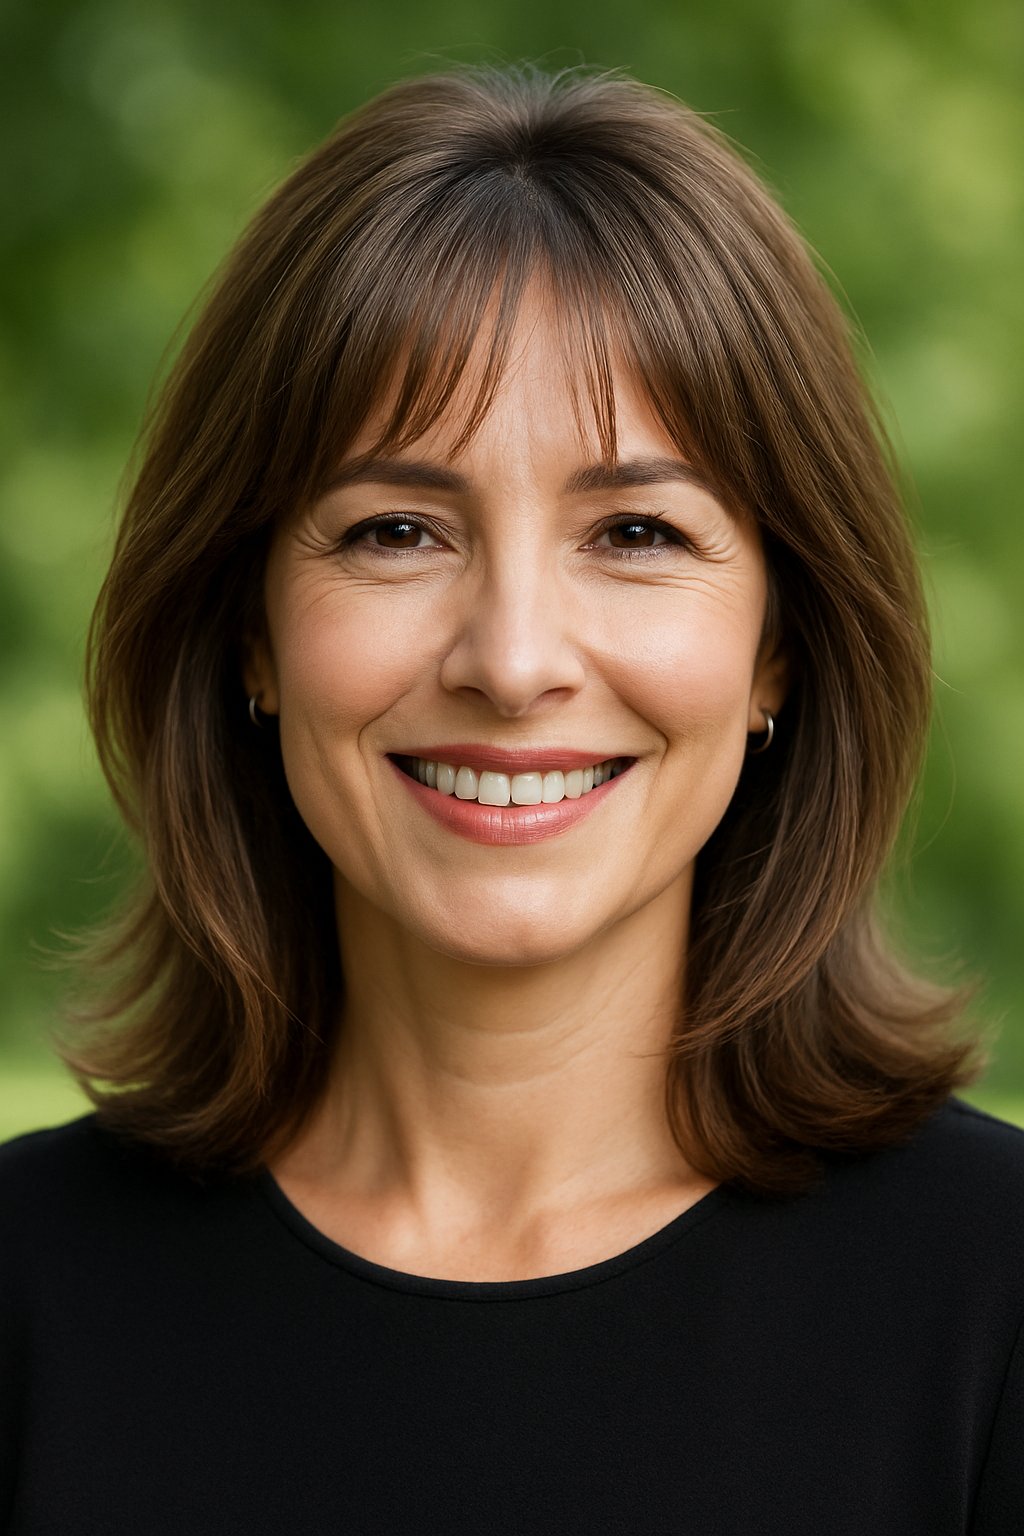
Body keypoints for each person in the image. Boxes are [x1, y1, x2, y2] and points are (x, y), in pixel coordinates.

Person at [1, 62, 1021, 1534]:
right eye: (397, 529)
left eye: (637, 532)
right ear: (249, 633)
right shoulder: (27, 1296)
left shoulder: (996, 1302)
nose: (515, 659)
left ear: (778, 651)